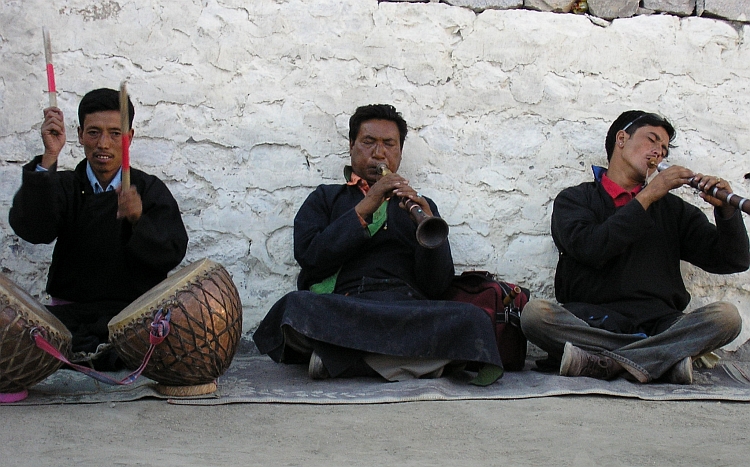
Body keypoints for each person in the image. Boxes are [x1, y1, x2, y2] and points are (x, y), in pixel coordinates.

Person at [253, 104, 503, 383]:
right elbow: (310, 257)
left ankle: (342, 359)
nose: (379, 153)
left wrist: (428, 234)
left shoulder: (420, 206)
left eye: (389, 144)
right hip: (345, 304)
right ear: (352, 145)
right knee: (294, 308)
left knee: (473, 320)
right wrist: (366, 205)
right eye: (369, 142)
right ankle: (406, 362)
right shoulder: (325, 197)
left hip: (404, 308)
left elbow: (438, 286)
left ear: (400, 152)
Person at [520, 110, 750, 385]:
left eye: (664, 150)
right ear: (621, 139)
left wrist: (727, 213)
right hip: (593, 321)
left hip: (660, 326)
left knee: (727, 317)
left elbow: (733, 260)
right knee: (534, 316)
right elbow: (592, 248)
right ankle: (663, 360)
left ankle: (605, 363)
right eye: (652, 140)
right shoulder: (574, 200)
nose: (658, 153)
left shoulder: (673, 210)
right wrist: (649, 194)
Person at [9, 88, 189, 368]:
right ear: (80, 135)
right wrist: (49, 158)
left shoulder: (149, 190)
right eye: (93, 132)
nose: (103, 143)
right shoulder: (66, 186)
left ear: (129, 138)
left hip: (133, 318)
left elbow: (172, 251)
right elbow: (33, 229)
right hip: (70, 317)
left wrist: (138, 219)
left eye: (115, 133)